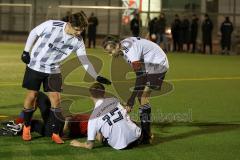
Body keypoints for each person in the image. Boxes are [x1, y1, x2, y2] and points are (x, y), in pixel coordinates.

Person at [20, 11, 111, 144]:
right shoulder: (51, 25)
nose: (79, 33)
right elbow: (34, 32)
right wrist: (26, 51)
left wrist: (96, 76)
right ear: (69, 24)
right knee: (32, 95)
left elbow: (84, 60)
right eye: (77, 29)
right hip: (35, 65)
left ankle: (56, 133)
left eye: (82, 30)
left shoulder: (78, 40)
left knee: (56, 99)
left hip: (53, 69)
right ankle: (27, 126)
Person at [102, 36, 169, 143]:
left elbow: (140, 78)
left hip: (158, 63)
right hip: (149, 63)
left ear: (117, 45)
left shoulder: (131, 52)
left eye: (111, 51)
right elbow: (140, 75)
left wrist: (130, 102)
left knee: (143, 97)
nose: (110, 55)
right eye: (108, 53)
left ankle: (146, 137)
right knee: (140, 96)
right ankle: (147, 133)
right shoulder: (123, 48)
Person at [70, 83, 148, 150]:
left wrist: (79, 144)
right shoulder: (114, 100)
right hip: (137, 138)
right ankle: (147, 136)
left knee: (99, 131)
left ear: (91, 96)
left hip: (121, 146)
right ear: (104, 93)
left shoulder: (93, 118)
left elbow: (89, 145)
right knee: (129, 119)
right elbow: (125, 110)